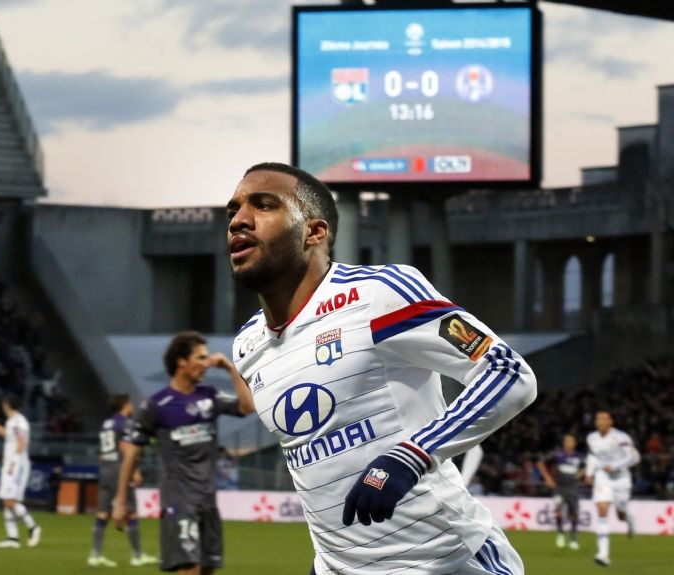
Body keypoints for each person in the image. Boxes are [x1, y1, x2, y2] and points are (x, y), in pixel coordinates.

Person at [226, 162, 537, 575]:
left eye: (264, 205)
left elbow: (508, 373)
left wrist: (414, 454)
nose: (239, 220)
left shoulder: (377, 295)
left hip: (446, 562)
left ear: (314, 232)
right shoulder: (247, 345)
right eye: (233, 210)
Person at [113, 331, 254, 574]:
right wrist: (121, 501)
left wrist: (230, 368)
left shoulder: (209, 396)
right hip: (178, 499)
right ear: (181, 362)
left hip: (207, 498)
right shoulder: (156, 405)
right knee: (189, 568)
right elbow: (131, 455)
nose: (207, 363)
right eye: (201, 357)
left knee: (207, 568)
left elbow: (247, 406)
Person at [89, 394, 157, 567]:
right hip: (120, 470)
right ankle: (137, 555)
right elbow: (127, 448)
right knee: (131, 512)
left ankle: (95, 555)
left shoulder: (106, 424)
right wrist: (135, 471)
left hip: (105, 468)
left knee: (102, 512)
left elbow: (101, 452)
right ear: (125, 405)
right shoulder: (126, 423)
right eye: (130, 403)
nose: (132, 406)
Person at [0, 395, 42, 549]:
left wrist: (13, 463)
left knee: (9, 501)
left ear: (7, 405)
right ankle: (13, 538)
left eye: (3, 404)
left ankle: (33, 527)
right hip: (11, 464)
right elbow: (5, 433)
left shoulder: (19, 422)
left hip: (16, 464)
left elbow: (21, 443)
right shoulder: (12, 421)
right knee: (7, 502)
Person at [585, 410, 639, 567]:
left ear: (610, 422)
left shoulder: (621, 437)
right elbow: (593, 457)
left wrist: (615, 465)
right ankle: (603, 554)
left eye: (604, 419)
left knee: (620, 514)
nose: (601, 422)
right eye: (598, 419)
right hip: (603, 477)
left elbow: (634, 457)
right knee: (602, 510)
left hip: (621, 479)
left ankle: (629, 519)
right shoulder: (592, 438)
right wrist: (589, 473)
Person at [536, 434, 585, 550]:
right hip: (560, 487)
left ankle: (573, 539)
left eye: (570, 441)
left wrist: (581, 473)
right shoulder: (557, 454)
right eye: (566, 441)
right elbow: (540, 463)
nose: (568, 443)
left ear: (574, 443)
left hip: (573, 488)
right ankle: (560, 534)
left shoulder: (579, 456)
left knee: (574, 514)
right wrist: (548, 478)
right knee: (558, 510)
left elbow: (589, 466)